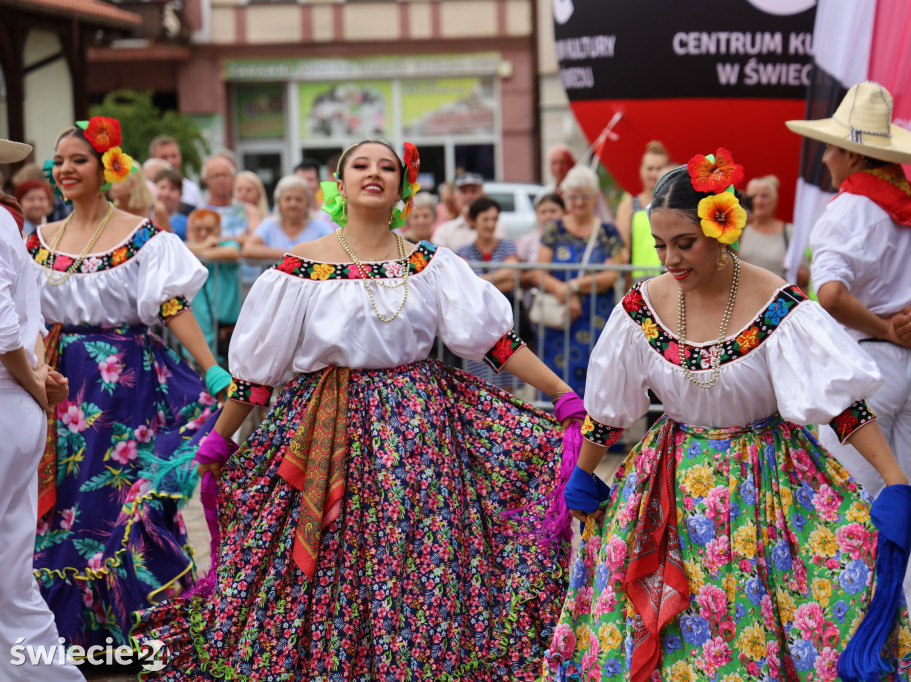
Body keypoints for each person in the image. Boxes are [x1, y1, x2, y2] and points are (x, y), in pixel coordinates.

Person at [132, 140, 580, 679]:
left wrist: (561, 394)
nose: (374, 173)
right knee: (334, 558)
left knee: (416, 557)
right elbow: (256, 378)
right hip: (324, 428)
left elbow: (497, 343)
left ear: (401, 188)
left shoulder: (430, 264)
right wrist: (220, 438)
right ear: (339, 186)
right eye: (360, 166)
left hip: (418, 436)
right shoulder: (298, 270)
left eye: (387, 167)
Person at [547, 151, 911, 681]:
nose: (670, 260)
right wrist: (584, 475)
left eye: (685, 244)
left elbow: (843, 408)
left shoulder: (779, 304)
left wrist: (895, 480)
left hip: (765, 483)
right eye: (660, 246)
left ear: (721, 229)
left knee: (763, 614)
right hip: (668, 485)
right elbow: (607, 413)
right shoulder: (641, 308)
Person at [787, 80, 911, 665]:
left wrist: (885, 324)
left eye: (830, 148)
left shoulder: (845, 212)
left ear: (851, 153)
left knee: (851, 498)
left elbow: (832, 293)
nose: (824, 157)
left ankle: (853, 639)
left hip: (864, 362)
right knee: (910, 498)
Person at [26, 117, 229, 648]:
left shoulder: (143, 236)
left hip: (128, 386)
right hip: (59, 386)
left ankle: (140, 631)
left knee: (122, 502)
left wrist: (211, 367)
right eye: (60, 159)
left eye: (79, 160)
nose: (66, 169)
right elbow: (23, 319)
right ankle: (66, 637)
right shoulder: (37, 242)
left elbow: (171, 305)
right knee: (65, 507)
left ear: (107, 167)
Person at [0, 136, 84, 682]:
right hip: (12, 399)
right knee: (10, 572)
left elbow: (6, 326)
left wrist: (31, 379)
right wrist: (34, 382)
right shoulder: (5, 221)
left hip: (10, 396)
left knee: (10, 571)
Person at [536, 165, 624, 398]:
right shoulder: (554, 229)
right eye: (573, 197)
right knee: (555, 379)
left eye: (584, 196)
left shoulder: (607, 232)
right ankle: (554, 432)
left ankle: (593, 432)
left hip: (595, 319)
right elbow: (539, 272)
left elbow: (611, 274)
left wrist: (573, 287)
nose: (578, 202)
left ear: (595, 196)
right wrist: (563, 292)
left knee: (597, 378)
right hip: (560, 319)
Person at [457, 195, 520, 389]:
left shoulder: (507, 245)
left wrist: (478, 283)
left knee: (506, 376)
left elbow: (511, 275)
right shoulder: (463, 250)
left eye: (494, 219)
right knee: (478, 380)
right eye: (485, 219)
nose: (491, 224)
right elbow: (465, 284)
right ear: (473, 221)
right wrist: (496, 279)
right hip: (476, 322)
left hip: (503, 323)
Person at [185, 209, 241, 364]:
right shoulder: (186, 246)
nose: (203, 234)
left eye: (209, 229)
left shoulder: (228, 244)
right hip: (197, 329)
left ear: (218, 229)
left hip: (224, 330)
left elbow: (232, 252)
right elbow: (177, 247)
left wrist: (200, 250)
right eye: (198, 229)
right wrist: (205, 246)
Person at [241, 175, 333, 261]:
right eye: (288, 199)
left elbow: (336, 247)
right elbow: (248, 249)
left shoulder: (318, 225)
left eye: (298, 199)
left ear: (307, 202)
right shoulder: (270, 224)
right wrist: (291, 255)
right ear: (279, 202)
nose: (293, 204)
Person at [615, 140, 670, 281]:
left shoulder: (675, 204)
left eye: (659, 168)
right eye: (650, 168)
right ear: (641, 170)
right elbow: (622, 250)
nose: (654, 174)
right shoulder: (628, 206)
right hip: (636, 282)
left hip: (669, 278)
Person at [432, 172, 508, 251]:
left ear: (483, 195)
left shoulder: (497, 228)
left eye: (474, 191)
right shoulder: (444, 231)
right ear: (456, 197)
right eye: (464, 191)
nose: (469, 196)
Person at [739, 175, 795, 280]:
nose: (758, 201)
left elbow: (805, 275)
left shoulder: (790, 232)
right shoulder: (738, 230)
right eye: (753, 196)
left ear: (775, 200)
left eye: (764, 196)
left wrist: (792, 267)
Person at [199, 156, 259, 245]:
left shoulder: (249, 210)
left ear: (233, 178)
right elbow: (196, 244)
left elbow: (258, 240)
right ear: (205, 180)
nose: (221, 180)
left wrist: (219, 240)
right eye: (216, 176)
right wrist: (242, 239)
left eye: (225, 175)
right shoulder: (199, 213)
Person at [108, 162, 171, 231]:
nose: (110, 185)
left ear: (133, 184)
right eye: (110, 179)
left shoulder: (156, 211)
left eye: (117, 181)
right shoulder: (110, 212)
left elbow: (168, 240)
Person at [149, 134, 201, 211]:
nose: (171, 161)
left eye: (174, 156)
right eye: (164, 157)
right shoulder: (145, 187)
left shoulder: (191, 188)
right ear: (153, 159)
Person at [153, 167, 190, 239]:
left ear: (180, 194)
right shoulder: (146, 219)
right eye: (162, 187)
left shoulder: (187, 224)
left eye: (173, 189)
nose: (166, 193)